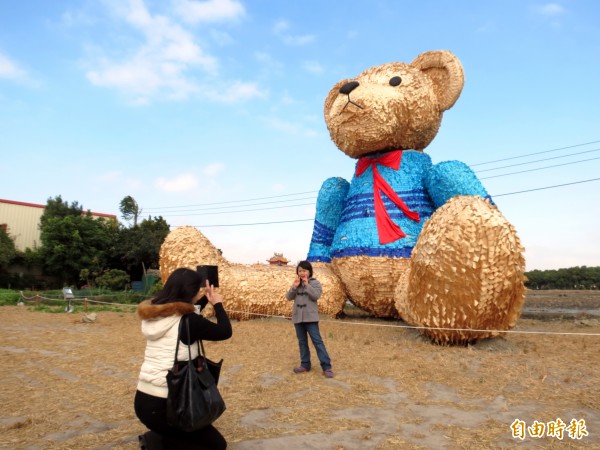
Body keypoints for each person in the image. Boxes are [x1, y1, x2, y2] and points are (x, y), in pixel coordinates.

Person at [134, 267, 232, 450]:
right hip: (169, 405)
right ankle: (154, 442)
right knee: (216, 445)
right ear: (191, 293)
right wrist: (217, 304)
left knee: (182, 437)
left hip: (143, 402)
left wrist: (205, 298)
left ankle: (160, 437)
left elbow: (183, 313)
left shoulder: (154, 315)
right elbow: (225, 331)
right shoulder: (189, 321)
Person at [286, 260, 334, 378]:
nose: (302, 273)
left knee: (317, 342)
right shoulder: (296, 284)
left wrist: (307, 285)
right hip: (298, 318)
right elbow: (288, 297)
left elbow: (316, 296)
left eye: (304, 270)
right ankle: (305, 364)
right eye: (300, 270)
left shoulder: (315, 283)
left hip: (311, 318)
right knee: (302, 342)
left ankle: (327, 367)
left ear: (309, 272)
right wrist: (294, 287)